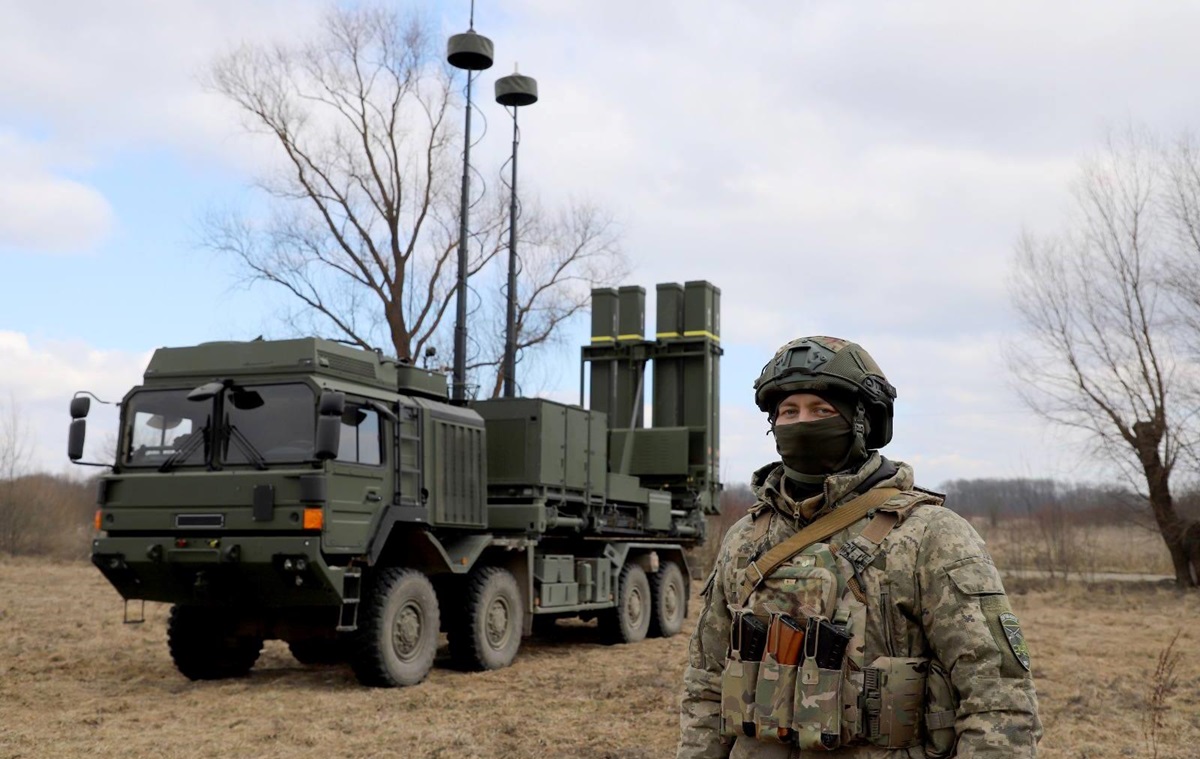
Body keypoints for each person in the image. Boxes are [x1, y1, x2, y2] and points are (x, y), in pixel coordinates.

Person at [677, 336, 1041, 759]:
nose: (802, 422)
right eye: (789, 411)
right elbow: (706, 684)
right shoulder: (745, 538)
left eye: (821, 410)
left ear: (862, 421)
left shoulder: (931, 535)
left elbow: (998, 698)